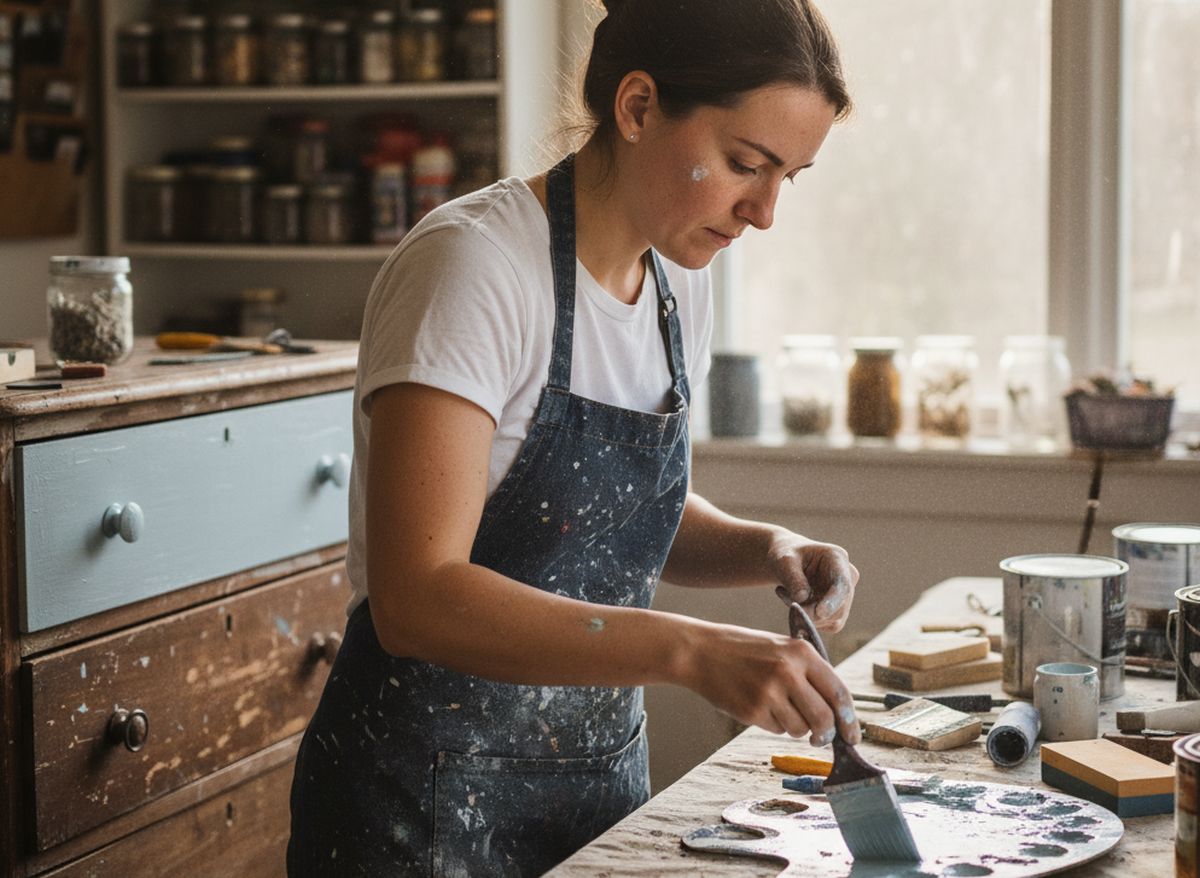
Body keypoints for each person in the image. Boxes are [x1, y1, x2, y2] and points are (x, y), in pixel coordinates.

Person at [288, 0, 857, 874]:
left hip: (594, 794)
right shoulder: (473, 267)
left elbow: (604, 514)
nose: (764, 211)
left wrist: (765, 547)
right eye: (746, 164)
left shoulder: (678, 279)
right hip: (415, 808)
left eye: (791, 177)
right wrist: (691, 649)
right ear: (637, 106)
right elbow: (416, 596)